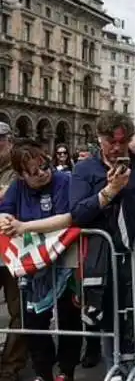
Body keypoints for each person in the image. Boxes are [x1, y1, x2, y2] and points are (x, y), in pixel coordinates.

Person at [69, 112, 135, 376]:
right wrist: (110, 191)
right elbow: (76, 213)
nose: (116, 148)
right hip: (104, 252)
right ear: (100, 139)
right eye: (111, 141)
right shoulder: (84, 169)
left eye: (122, 142)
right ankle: (114, 365)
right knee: (108, 312)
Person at [0, 139, 79, 381]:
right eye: (35, 172)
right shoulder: (17, 188)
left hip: (66, 261)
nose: (43, 174)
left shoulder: (65, 181)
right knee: (34, 322)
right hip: (33, 269)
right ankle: (43, 372)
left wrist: (24, 226)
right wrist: (4, 219)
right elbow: (6, 210)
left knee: (69, 320)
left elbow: (68, 218)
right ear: (22, 176)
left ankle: (66, 371)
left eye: (45, 166)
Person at [0, 121, 26, 381]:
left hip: (14, 252)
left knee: (20, 311)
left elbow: (11, 199)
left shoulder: (18, 170)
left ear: (10, 142)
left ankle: (11, 366)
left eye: (0, 140)